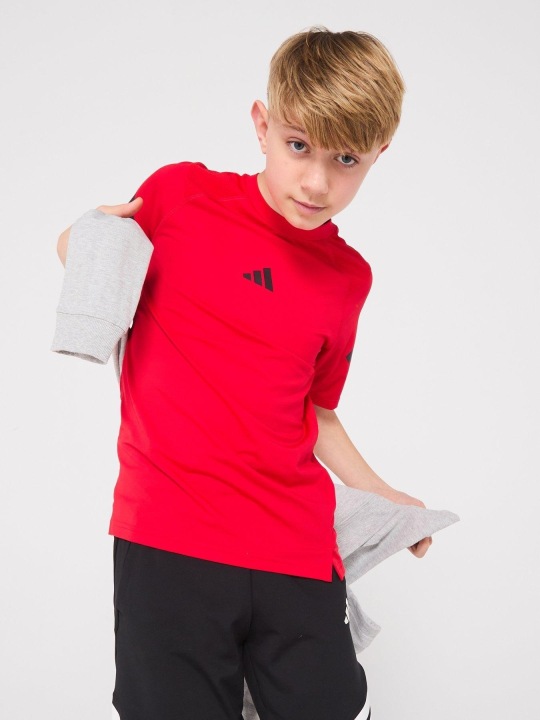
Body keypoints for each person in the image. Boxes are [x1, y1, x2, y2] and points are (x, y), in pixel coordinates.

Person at [57, 26, 432, 720]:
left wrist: (380, 492)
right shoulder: (179, 197)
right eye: (299, 146)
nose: (317, 182)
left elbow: (314, 411)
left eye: (346, 159)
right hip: (168, 539)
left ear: (378, 154)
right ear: (262, 125)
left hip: (296, 549)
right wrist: (82, 238)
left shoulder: (347, 277)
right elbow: (92, 260)